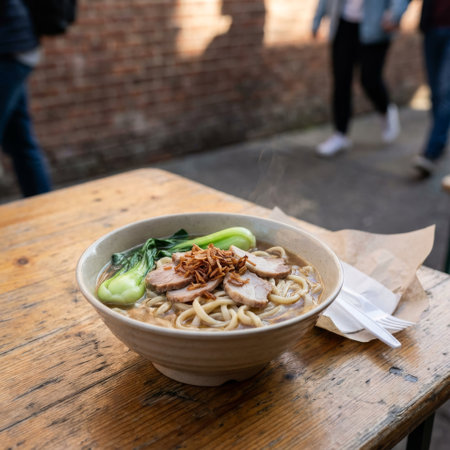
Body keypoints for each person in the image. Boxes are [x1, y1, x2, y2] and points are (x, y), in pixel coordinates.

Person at [312, 0, 409, 157]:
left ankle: (385, 109)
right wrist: (317, 19)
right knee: (341, 81)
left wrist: (394, 15)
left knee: (369, 79)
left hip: (376, 27)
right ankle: (340, 134)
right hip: (344, 26)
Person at [0, 0, 52, 197]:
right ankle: (42, 209)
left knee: (21, 142)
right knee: (19, 139)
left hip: (8, 48)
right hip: (17, 47)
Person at [413, 0, 450, 177]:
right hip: (432, 28)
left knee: (445, 90)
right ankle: (439, 140)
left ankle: (431, 151)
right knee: (435, 93)